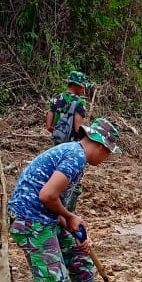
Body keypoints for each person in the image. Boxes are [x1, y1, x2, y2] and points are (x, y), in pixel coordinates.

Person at [9, 118, 121, 282]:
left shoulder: (74, 155)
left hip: (45, 219)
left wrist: (75, 229)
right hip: (31, 224)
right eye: (109, 154)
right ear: (101, 147)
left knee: (79, 256)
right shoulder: (75, 158)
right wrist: (69, 216)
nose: (106, 160)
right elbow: (47, 195)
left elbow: (53, 203)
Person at [46, 71, 91, 211]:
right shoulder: (79, 102)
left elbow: (49, 126)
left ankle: (52, 207)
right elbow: (78, 128)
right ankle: (67, 212)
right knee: (73, 181)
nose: (83, 89)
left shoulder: (56, 99)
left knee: (54, 175)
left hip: (57, 146)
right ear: (77, 85)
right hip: (73, 147)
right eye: (83, 86)